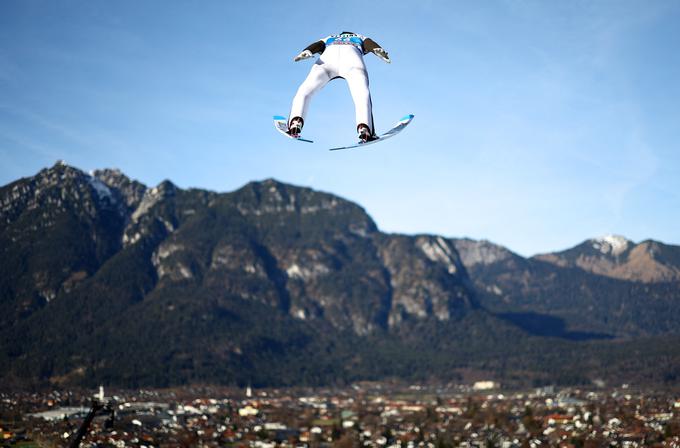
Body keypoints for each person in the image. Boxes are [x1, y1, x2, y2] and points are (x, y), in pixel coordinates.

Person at [288, 31, 391, 142]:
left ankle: (295, 121)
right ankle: (365, 128)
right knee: (361, 94)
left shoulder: (330, 37)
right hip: (352, 61)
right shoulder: (359, 36)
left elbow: (318, 45)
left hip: (327, 62)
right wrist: (377, 49)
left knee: (305, 91)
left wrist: (307, 51)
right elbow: (368, 43)